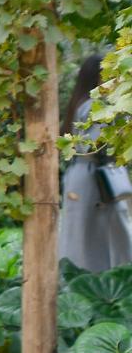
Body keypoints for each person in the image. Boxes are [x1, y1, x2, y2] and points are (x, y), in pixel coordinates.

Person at [60, 53, 132, 272]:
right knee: (92, 234)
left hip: (86, 175)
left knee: (83, 233)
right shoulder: (95, 106)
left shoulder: (81, 104)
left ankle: (81, 282)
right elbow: (99, 145)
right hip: (96, 177)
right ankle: (100, 283)